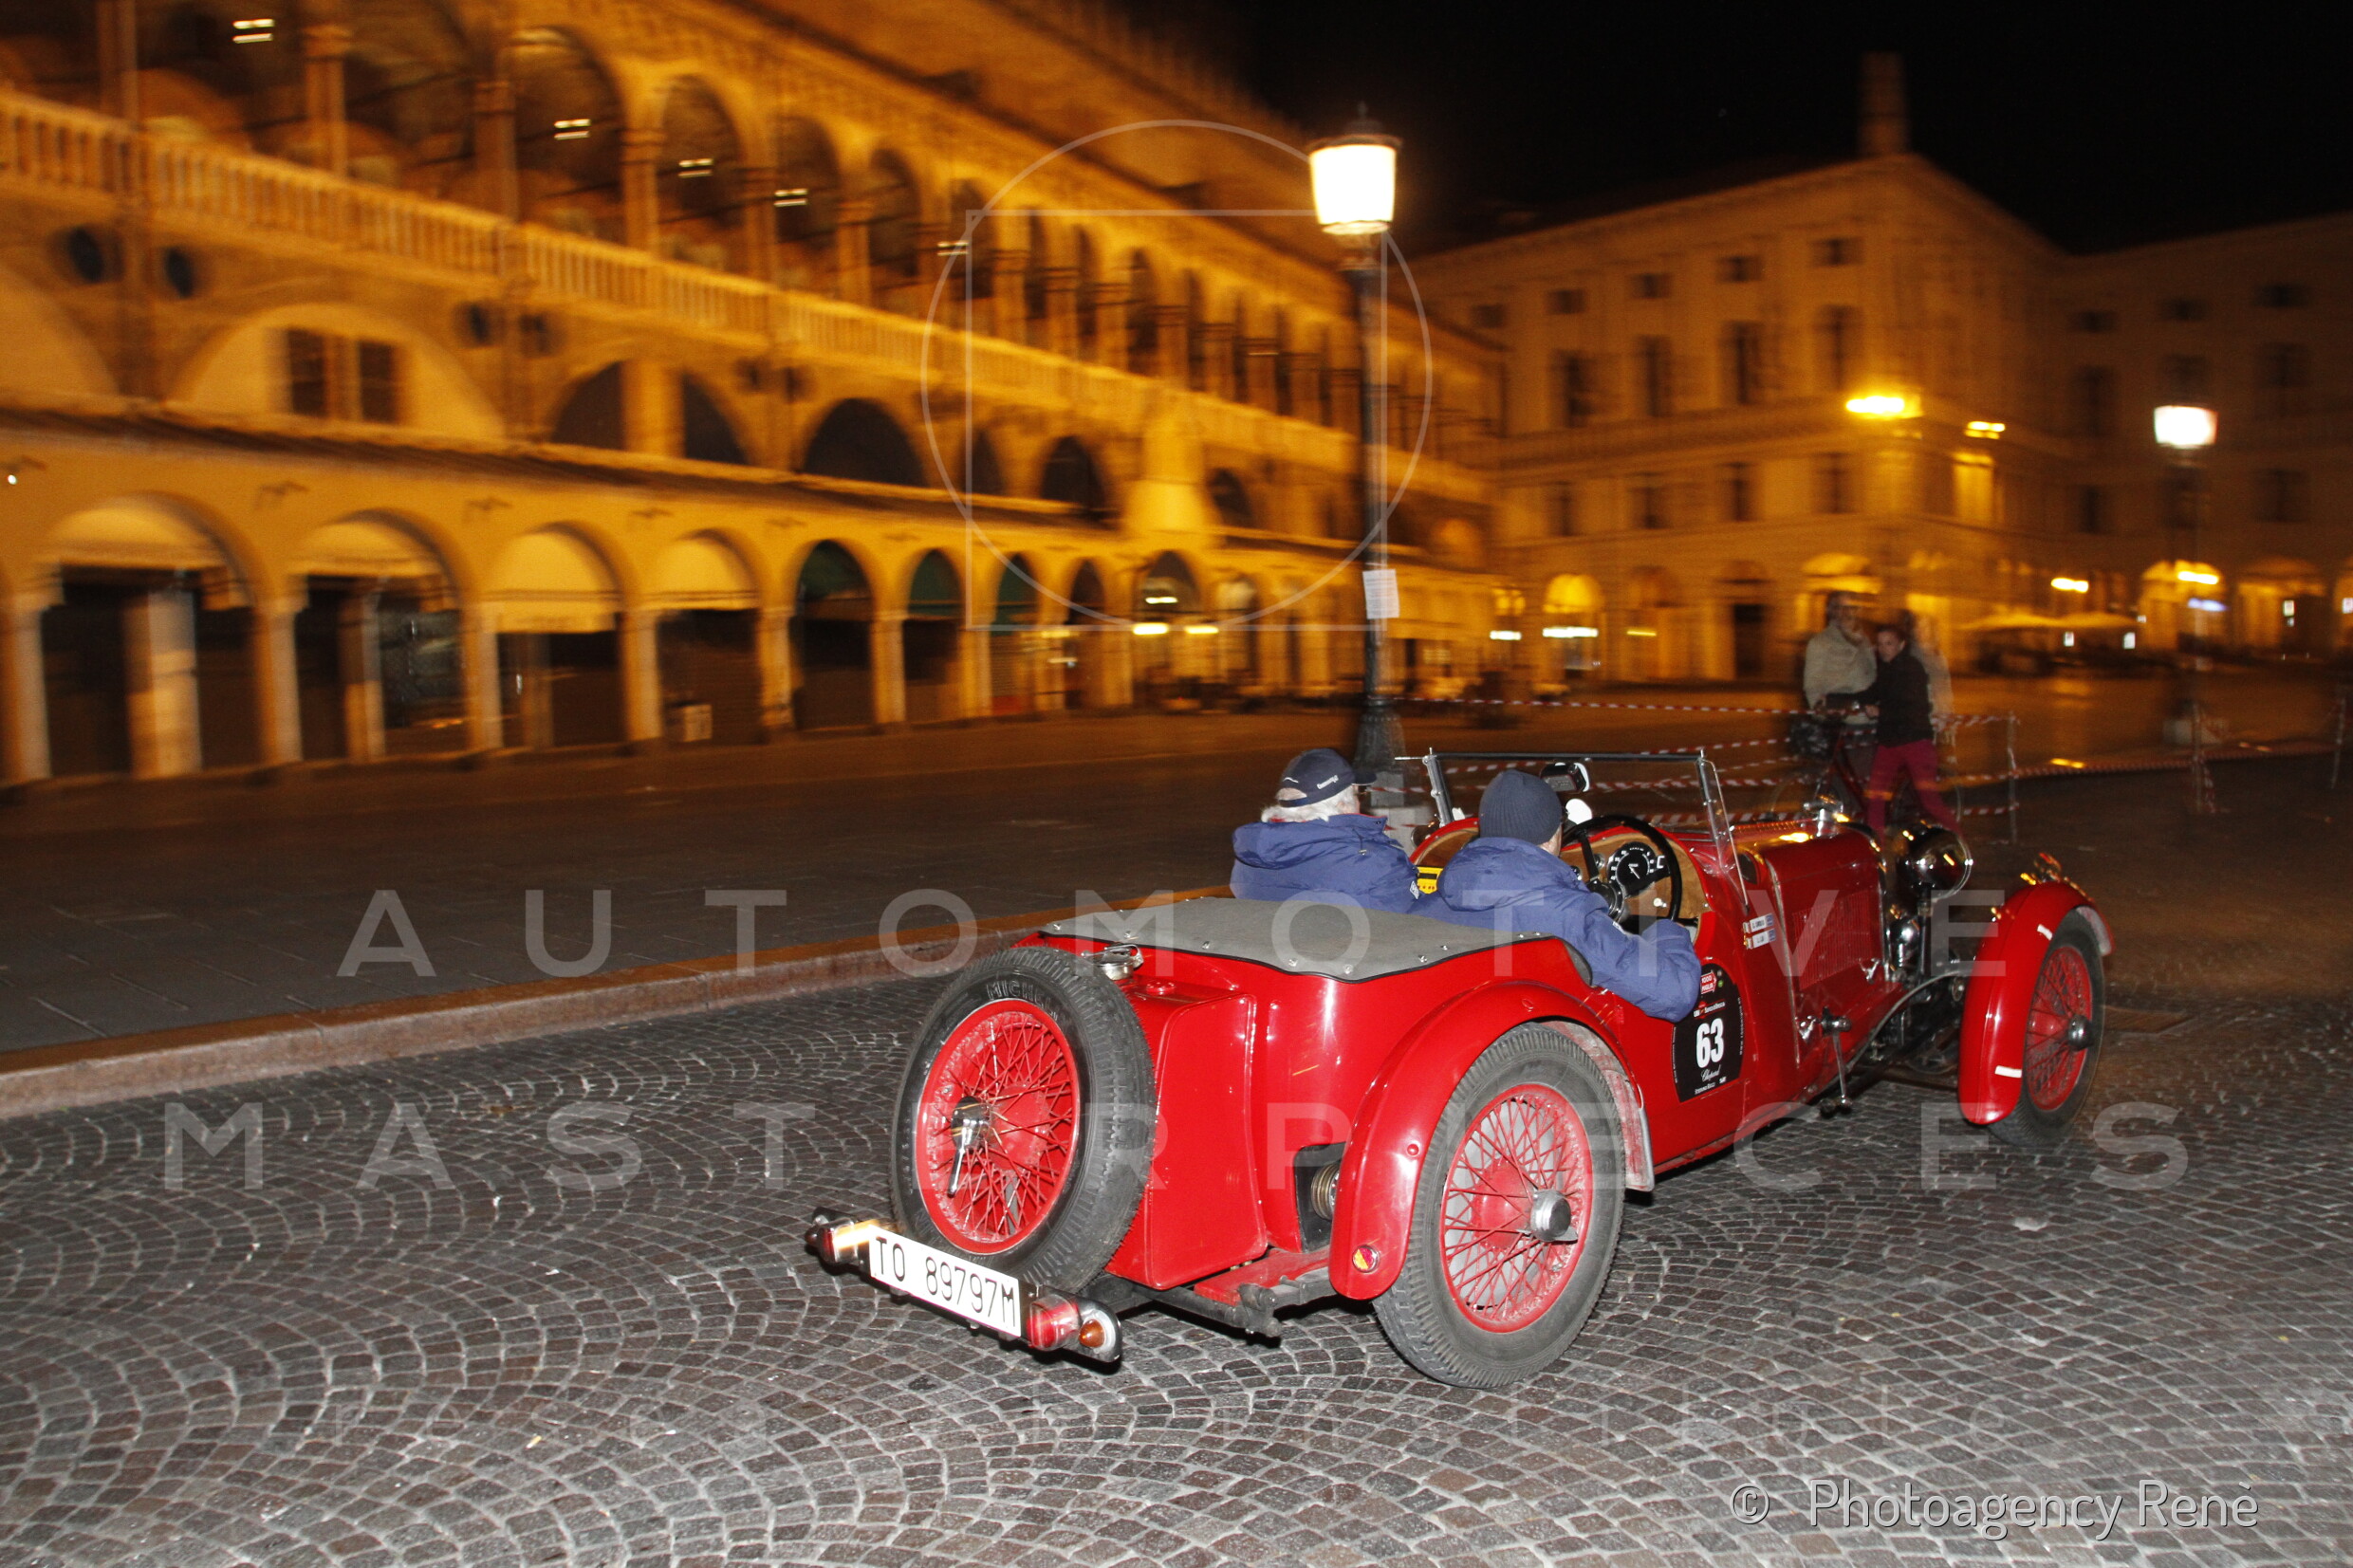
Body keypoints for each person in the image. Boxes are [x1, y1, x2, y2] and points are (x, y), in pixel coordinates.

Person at [1423, 769, 1699, 1022]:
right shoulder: (1567, 916)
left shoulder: (1431, 905)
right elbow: (1676, 995)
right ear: (1553, 836)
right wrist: (1668, 932)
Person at [1230, 747, 1419, 913]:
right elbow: (1414, 922)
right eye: (1358, 793)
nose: (1359, 801)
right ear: (1343, 805)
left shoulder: (1250, 859)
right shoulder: (1376, 863)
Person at [1856, 624, 1961, 834]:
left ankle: (1958, 840)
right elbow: (1873, 691)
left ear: (1901, 645)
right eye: (1880, 644)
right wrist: (1835, 698)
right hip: (1889, 742)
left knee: (1929, 800)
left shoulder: (1912, 669)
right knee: (1876, 796)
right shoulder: (1886, 668)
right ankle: (1876, 846)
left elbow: (1913, 707)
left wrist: (1881, 711)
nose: (1883, 649)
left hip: (1915, 741)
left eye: (1889, 643)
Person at [1803, 592, 1879, 710]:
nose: (1846, 612)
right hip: (1841, 714)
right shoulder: (1820, 643)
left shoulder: (1865, 641)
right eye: (1839, 607)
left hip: (1867, 712)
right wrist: (1823, 711)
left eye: (1851, 607)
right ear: (1831, 611)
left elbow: (1874, 673)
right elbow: (1812, 686)